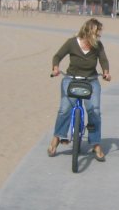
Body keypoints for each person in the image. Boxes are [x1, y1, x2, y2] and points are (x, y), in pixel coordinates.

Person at [48, 18, 111, 162]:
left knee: (94, 111)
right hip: (71, 79)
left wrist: (106, 72)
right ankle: (57, 138)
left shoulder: (97, 45)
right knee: (65, 109)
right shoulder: (72, 43)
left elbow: (103, 60)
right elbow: (57, 56)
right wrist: (56, 68)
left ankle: (95, 144)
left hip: (91, 81)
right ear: (89, 32)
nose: (99, 36)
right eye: (97, 33)